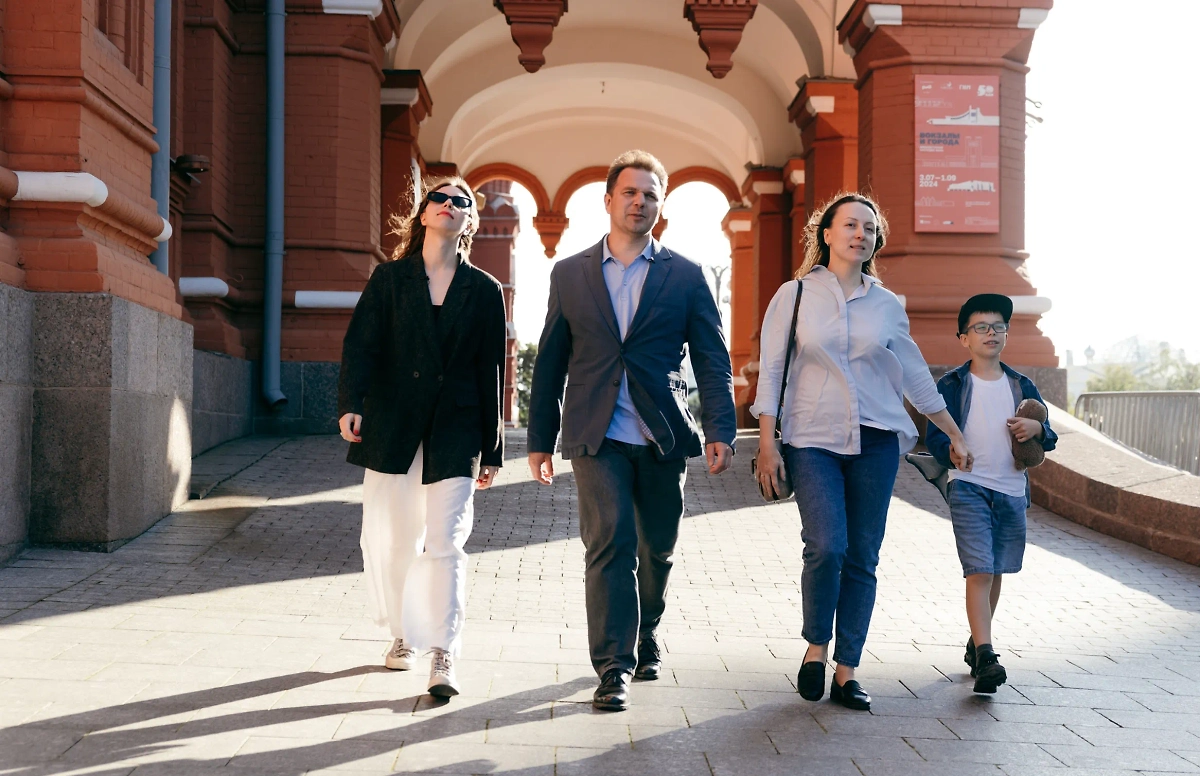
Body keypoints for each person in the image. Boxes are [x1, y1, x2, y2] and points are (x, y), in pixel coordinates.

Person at [527, 150, 737, 712]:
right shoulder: (569, 273)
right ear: (609, 200)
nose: (639, 202)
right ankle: (613, 666)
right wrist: (539, 440)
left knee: (657, 548)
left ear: (660, 206)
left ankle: (647, 633)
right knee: (609, 542)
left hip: (663, 432)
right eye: (630, 192)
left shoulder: (686, 276)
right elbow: (550, 360)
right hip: (596, 433)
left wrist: (721, 427)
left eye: (650, 195)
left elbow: (714, 360)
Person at [751, 192, 972, 711]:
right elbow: (774, 368)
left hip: (876, 442)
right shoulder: (795, 295)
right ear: (826, 233)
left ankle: (846, 669)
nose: (859, 234)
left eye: (869, 229)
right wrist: (766, 442)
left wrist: (952, 431)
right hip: (812, 440)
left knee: (863, 555)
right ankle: (814, 649)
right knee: (827, 545)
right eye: (849, 225)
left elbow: (915, 374)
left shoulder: (888, 305)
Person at [336, 177, 507, 699]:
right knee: (392, 538)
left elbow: (491, 372)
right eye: (441, 198)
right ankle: (404, 634)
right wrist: (350, 403)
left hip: (455, 430)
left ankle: (443, 652)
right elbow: (361, 345)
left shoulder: (484, 290)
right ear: (423, 212)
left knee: (446, 542)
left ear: (470, 221)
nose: (451, 205)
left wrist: (493, 448)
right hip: (393, 423)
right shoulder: (390, 280)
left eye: (463, 202)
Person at [925, 294, 1057, 693]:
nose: (990, 333)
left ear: (1006, 334)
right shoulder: (951, 384)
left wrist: (1037, 431)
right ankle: (987, 654)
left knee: (997, 569)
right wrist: (949, 449)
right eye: (981, 327)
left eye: (998, 327)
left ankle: (977, 642)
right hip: (969, 487)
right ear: (963, 338)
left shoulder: (1022, 384)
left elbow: (1046, 436)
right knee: (979, 568)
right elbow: (934, 436)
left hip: (1012, 491)